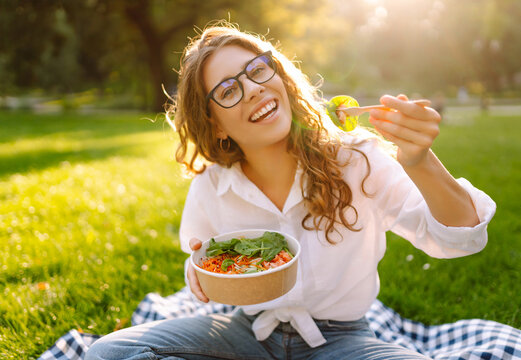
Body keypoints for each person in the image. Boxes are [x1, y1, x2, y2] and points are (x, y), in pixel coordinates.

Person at [86, 23, 496, 360]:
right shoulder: (213, 185)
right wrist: (199, 273)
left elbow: (461, 240)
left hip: (341, 340)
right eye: (228, 90)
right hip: (247, 336)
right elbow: (200, 261)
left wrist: (420, 161)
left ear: (279, 75)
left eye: (258, 70)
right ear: (215, 124)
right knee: (110, 353)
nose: (252, 88)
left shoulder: (356, 159)